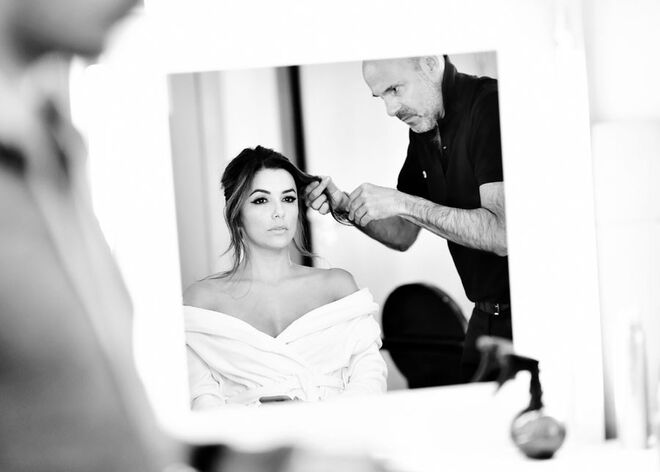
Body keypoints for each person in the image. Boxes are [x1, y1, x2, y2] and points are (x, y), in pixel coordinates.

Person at [305, 55, 511, 382]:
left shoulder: (491, 105)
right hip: (483, 317)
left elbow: (502, 235)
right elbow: (402, 233)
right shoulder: (424, 128)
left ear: (429, 63)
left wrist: (404, 202)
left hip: (527, 315)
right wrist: (343, 205)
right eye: (381, 97)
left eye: (395, 89)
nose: (390, 109)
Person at [183, 146, 387, 408]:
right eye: (261, 200)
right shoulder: (203, 300)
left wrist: (313, 419)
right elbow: (202, 401)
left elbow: (370, 382)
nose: (279, 212)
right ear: (236, 214)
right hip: (244, 434)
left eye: (288, 198)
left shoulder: (337, 287)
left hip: (337, 431)